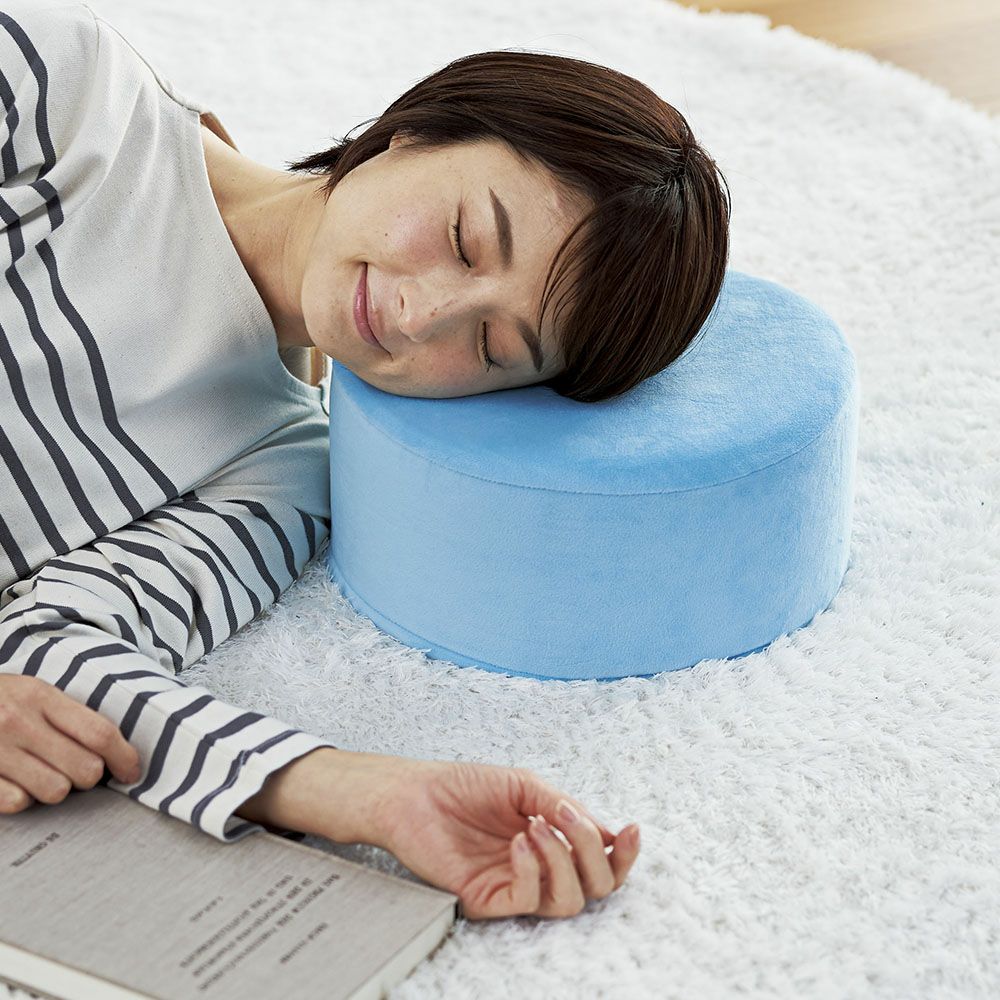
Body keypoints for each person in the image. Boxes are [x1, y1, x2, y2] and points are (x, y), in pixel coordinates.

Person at [0, 2, 730, 920]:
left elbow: (53, 661)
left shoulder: (286, 473)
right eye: (465, 239)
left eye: (494, 345)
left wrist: (378, 798)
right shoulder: (62, 90)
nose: (425, 315)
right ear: (412, 131)